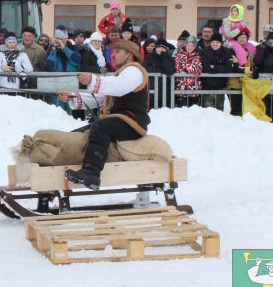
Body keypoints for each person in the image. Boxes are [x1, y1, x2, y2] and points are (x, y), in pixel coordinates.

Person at [56, 40, 150, 190]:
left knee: (100, 126)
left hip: (132, 122)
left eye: (118, 51)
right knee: (85, 131)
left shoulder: (134, 70)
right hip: (119, 121)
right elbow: (102, 97)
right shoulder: (123, 73)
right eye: (114, 51)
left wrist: (92, 79)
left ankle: (91, 173)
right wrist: (74, 97)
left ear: (129, 55)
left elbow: (120, 87)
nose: (113, 55)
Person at [46, 25, 82, 114]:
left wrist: (64, 49)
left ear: (66, 38)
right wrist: (54, 50)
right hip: (57, 85)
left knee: (71, 112)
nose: (59, 41)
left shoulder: (73, 48)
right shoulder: (51, 50)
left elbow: (76, 60)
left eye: (61, 39)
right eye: (57, 38)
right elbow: (50, 66)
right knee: (58, 112)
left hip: (71, 85)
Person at [253, 31, 273, 122]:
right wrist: (263, 48)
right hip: (262, 81)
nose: (271, 43)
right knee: (264, 102)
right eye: (269, 41)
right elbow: (257, 61)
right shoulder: (262, 50)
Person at [225, 27, 257, 116]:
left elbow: (253, 63)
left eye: (244, 37)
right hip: (234, 84)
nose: (242, 39)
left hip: (246, 85)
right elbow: (235, 68)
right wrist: (251, 70)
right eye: (240, 37)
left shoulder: (249, 52)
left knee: (246, 111)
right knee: (236, 110)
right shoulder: (231, 51)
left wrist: (255, 69)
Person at [199, 32, 233, 111]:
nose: (215, 44)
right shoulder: (205, 52)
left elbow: (229, 68)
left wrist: (214, 67)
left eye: (217, 42)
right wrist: (221, 68)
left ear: (221, 43)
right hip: (207, 87)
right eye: (213, 42)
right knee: (208, 113)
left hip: (221, 88)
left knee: (219, 113)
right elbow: (206, 68)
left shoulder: (226, 52)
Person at [144, 38, 176, 109]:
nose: (160, 49)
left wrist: (164, 58)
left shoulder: (169, 59)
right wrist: (160, 70)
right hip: (152, 91)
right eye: (159, 47)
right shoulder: (149, 57)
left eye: (163, 48)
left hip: (165, 92)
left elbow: (171, 71)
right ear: (155, 48)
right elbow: (145, 69)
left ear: (166, 49)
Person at [174, 36, 203, 107]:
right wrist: (191, 67)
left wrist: (185, 67)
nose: (189, 47)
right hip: (181, 88)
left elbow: (198, 70)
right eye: (188, 45)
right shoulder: (178, 55)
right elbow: (177, 69)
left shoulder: (198, 56)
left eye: (192, 45)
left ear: (195, 46)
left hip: (194, 89)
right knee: (182, 111)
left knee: (193, 112)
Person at [220, 4, 251, 68]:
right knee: (238, 47)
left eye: (235, 11)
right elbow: (228, 34)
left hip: (238, 40)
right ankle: (242, 64)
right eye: (232, 11)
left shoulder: (242, 22)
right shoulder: (227, 21)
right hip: (228, 40)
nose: (232, 12)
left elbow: (247, 34)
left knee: (251, 47)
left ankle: (252, 63)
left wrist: (246, 32)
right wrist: (239, 30)